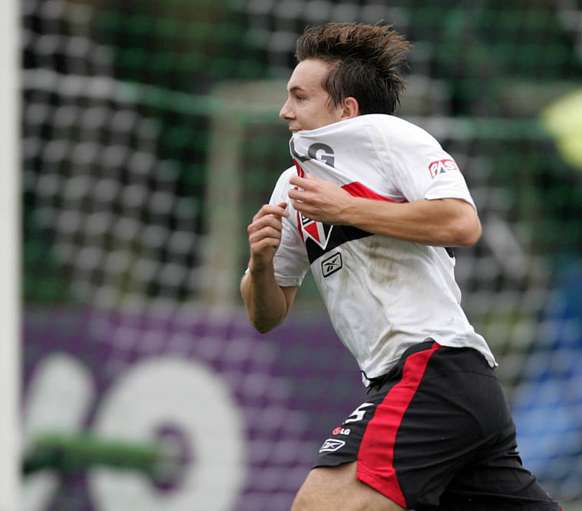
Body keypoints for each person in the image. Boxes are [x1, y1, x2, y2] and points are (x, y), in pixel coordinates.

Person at [240, 23, 561, 511]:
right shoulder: (293, 187)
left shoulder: (387, 137)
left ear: (345, 109)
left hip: (432, 367)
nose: (285, 111)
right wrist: (260, 263)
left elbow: (462, 222)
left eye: (300, 97)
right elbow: (267, 315)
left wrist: (346, 208)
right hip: (447, 390)